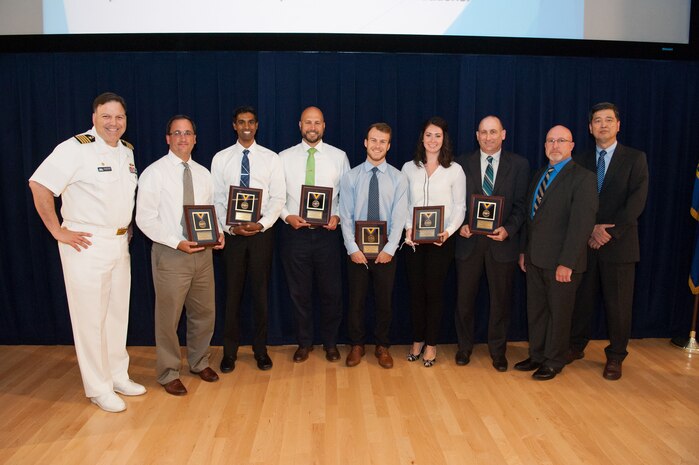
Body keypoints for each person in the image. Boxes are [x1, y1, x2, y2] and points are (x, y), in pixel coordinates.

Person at [28, 92, 146, 413]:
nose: (113, 123)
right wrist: (57, 231)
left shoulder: (126, 152)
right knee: (90, 319)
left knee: (116, 315)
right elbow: (39, 185)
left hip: (119, 243)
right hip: (86, 244)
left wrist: (124, 225)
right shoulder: (74, 149)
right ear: (93, 118)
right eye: (106, 116)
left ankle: (117, 375)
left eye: (119, 117)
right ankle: (98, 387)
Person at [136, 115, 224, 396]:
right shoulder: (154, 173)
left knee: (204, 313)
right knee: (169, 317)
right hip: (171, 253)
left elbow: (210, 211)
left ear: (195, 139)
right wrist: (177, 242)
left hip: (203, 254)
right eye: (177, 133)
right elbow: (145, 219)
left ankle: (199, 362)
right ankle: (168, 372)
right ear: (168, 139)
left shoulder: (203, 173)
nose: (183, 138)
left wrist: (218, 233)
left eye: (188, 133)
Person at [568, 103, 649, 380]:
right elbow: (574, 202)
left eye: (608, 120)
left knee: (618, 306)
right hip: (585, 244)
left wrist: (607, 232)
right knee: (581, 301)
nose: (603, 125)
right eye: (597, 121)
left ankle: (616, 356)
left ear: (618, 125)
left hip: (620, 245)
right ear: (590, 128)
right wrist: (590, 228)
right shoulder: (578, 160)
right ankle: (575, 346)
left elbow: (636, 203)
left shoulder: (635, 159)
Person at [515, 125, 597, 381]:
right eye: (550, 140)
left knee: (559, 314)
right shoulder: (541, 174)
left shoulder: (583, 178)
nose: (555, 145)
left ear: (572, 145)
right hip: (535, 258)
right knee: (537, 311)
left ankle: (554, 360)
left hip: (562, 263)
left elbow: (581, 225)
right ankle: (537, 355)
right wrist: (523, 251)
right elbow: (532, 219)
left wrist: (567, 263)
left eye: (561, 140)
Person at [211, 106, 286, 372]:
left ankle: (260, 350)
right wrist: (229, 228)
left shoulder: (271, 158)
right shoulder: (221, 158)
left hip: (261, 235)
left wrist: (262, 224)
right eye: (241, 122)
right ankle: (229, 352)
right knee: (232, 295)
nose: (246, 126)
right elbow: (217, 199)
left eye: (251, 122)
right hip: (232, 236)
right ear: (234, 125)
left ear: (257, 125)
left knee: (260, 294)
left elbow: (278, 198)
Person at [454, 116, 530, 372]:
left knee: (501, 302)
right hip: (469, 243)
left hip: (502, 245)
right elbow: (454, 201)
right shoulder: (460, 163)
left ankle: (498, 351)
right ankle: (464, 347)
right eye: (483, 132)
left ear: (503, 134)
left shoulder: (519, 165)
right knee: (464, 300)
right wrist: (460, 224)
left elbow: (521, 205)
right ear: (476, 135)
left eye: (493, 132)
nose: (488, 137)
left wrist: (509, 230)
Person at [278, 106, 350, 363]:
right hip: (294, 234)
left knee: (331, 292)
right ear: (300, 125)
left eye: (317, 122)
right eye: (308, 122)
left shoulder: (339, 157)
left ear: (324, 126)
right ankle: (304, 343)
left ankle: (330, 343)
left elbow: (346, 196)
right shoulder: (283, 158)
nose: (312, 127)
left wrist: (338, 215)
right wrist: (287, 216)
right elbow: (277, 197)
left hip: (327, 236)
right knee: (299, 293)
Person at [339, 123, 408, 368]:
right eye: (373, 140)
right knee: (356, 301)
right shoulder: (351, 177)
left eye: (382, 142)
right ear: (365, 143)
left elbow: (400, 217)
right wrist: (352, 248)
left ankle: (382, 346)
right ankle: (356, 345)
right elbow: (345, 215)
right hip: (357, 251)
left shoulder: (399, 178)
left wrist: (390, 249)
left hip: (386, 253)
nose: (377, 145)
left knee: (384, 302)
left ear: (388, 146)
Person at [402, 117, 466, 367]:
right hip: (414, 242)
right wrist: (408, 229)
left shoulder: (455, 170)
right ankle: (417, 340)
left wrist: (448, 231)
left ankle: (431, 344)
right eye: (428, 135)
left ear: (444, 139)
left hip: (442, 242)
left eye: (437, 135)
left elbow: (460, 207)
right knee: (416, 293)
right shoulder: (409, 168)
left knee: (435, 294)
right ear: (422, 138)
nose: (432, 140)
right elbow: (405, 203)